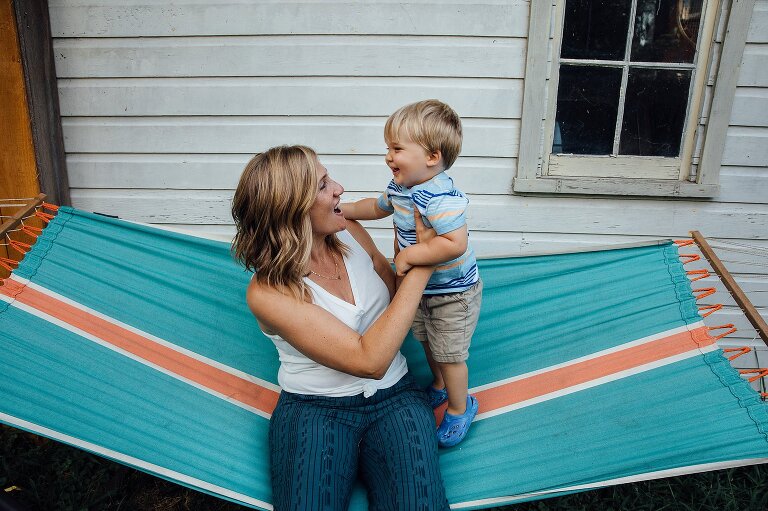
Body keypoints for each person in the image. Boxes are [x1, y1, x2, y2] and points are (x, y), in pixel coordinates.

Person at [231, 145, 450, 511]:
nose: (339, 189)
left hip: (396, 397)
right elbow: (368, 360)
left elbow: (398, 298)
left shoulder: (351, 234)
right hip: (313, 410)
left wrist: (408, 253)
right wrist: (427, 260)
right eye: (322, 185)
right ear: (291, 208)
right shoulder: (269, 291)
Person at [341, 100, 482, 448]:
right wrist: (342, 210)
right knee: (427, 341)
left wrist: (411, 256)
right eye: (387, 148)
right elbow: (375, 207)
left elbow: (454, 243)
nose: (389, 157)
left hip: (454, 292)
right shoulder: (400, 189)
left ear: (431, 157)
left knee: (450, 354)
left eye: (397, 149)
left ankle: (461, 407)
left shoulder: (441, 196)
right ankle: (438, 386)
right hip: (423, 290)